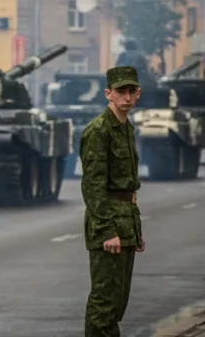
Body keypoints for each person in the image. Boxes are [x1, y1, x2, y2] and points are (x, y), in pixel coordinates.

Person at [80, 65, 145, 337]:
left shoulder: (125, 128)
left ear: (138, 93)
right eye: (121, 91)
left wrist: (136, 230)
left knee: (118, 301)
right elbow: (93, 186)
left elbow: (128, 187)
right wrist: (108, 230)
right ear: (108, 94)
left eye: (131, 91)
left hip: (125, 222)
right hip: (108, 223)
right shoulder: (99, 130)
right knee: (105, 301)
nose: (127, 97)